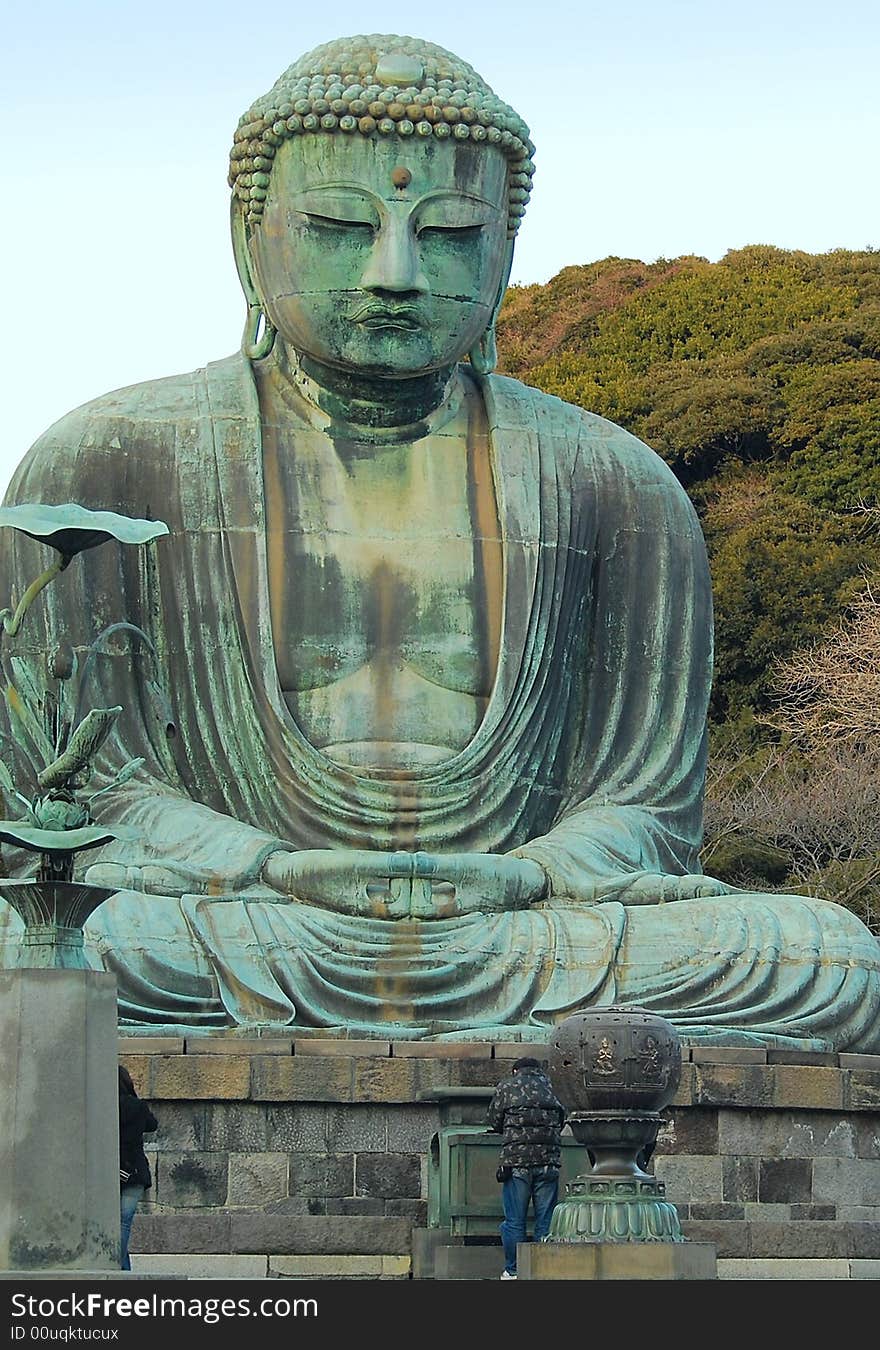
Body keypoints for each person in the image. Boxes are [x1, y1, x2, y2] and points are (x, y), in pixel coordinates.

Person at [0, 33, 879, 1049]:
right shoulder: (109, 459)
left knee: (824, 958)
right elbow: (71, 795)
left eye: (453, 233)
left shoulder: (612, 481)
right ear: (251, 237)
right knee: (48, 943)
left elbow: (644, 805)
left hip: (520, 922)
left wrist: (534, 872)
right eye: (337, 225)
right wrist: (265, 866)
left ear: (506, 248)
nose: (396, 274)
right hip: (234, 915)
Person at [488, 1057, 565, 1279]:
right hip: (548, 1162)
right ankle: (543, 1269)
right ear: (539, 1071)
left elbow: (494, 1120)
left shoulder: (507, 1086)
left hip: (517, 1163)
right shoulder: (554, 1086)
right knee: (545, 1221)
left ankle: (514, 1270)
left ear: (516, 1071)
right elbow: (563, 1118)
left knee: (514, 1221)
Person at [118, 1064, 158, 1271]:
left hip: (111, 1172)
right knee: (124, 1223)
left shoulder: (103, 1107)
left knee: (111, 1224)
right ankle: (120, 1268)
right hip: (134, 1172)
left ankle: (117, 1266)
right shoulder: (137, 1107)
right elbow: (152, 1124)